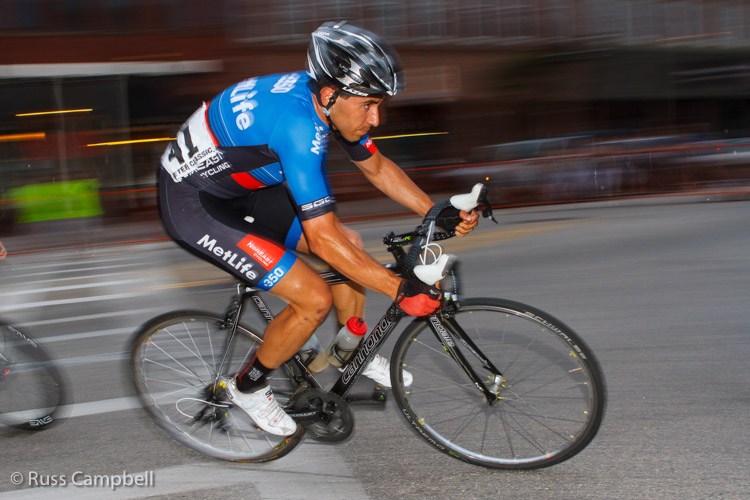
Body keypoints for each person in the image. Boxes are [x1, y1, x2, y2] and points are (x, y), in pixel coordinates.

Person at [158, 21, 478, 436]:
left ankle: (348, 352)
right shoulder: (297, 125)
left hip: (243, 185)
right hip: (193, 201)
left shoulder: (328, 100)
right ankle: (248, 387)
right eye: (369, 105)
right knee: (313, 298)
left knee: (351, 243)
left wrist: (434, 211)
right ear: (330, 95)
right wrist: (400, 290)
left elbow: (377, 168)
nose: (375, 118)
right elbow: (322, 241)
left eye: (379, 104)